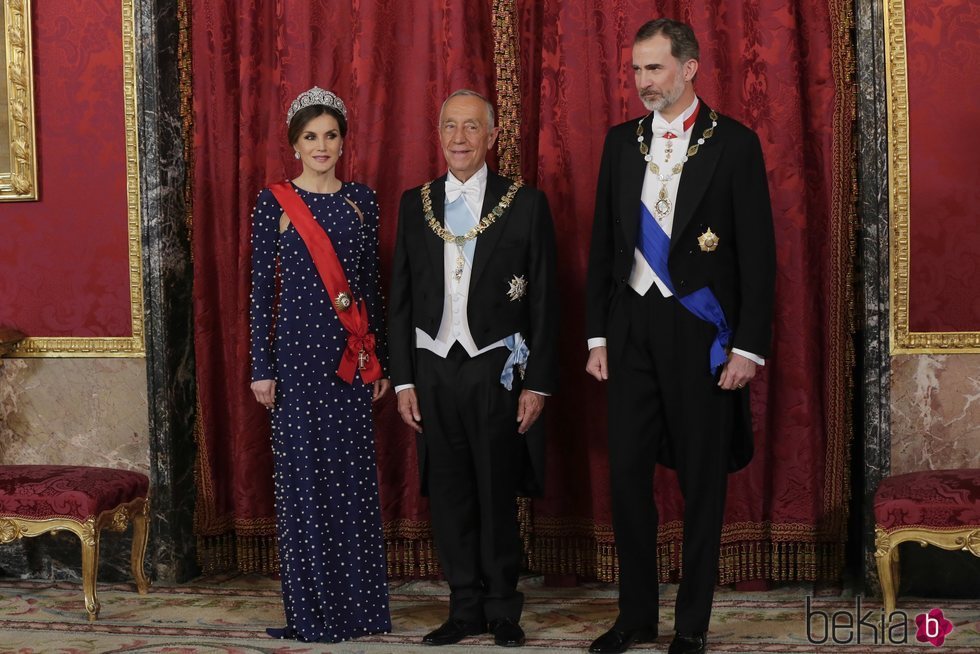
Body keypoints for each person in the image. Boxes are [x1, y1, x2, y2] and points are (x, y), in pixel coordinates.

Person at [585, 19, 776, 654]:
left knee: (702, 479)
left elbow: (757, 254)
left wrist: (748, 347)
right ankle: (635, 615)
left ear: (689, 69)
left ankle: (690, 623)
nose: (642, 82)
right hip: (630, 324)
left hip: (699, 330)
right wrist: (596, 337)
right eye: (637, 69)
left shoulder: (735, 145)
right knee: (628, 477)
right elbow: (601, 250)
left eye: (655, 69)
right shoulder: (620, 143)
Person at [388, 89, 559, 648]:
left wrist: (537, 383)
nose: (458, 139)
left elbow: (545, 302)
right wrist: (406, 379)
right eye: (449, 127)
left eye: (470, 128)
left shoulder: (525, 203)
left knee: (495, 488)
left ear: (492, 136)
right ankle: (463, 607)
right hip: (434, 368)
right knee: (451, 490)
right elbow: (402, 300)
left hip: (496, 368)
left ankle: (503, 608)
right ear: (437, 135)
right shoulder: (415, 204)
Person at [249, 86, 391, 643]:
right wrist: (262, 366)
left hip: (349, 363)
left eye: (331, 135)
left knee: (352, 484)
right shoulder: (275, 203)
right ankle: (311, 612)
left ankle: (359, 611)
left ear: (343, 140)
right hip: (295, 365)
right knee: (303, 485)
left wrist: (377, 360)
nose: (322, 146)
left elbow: (371, 290)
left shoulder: (363, 200)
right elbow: (261, 292)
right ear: (295, 143)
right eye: (311, 136)